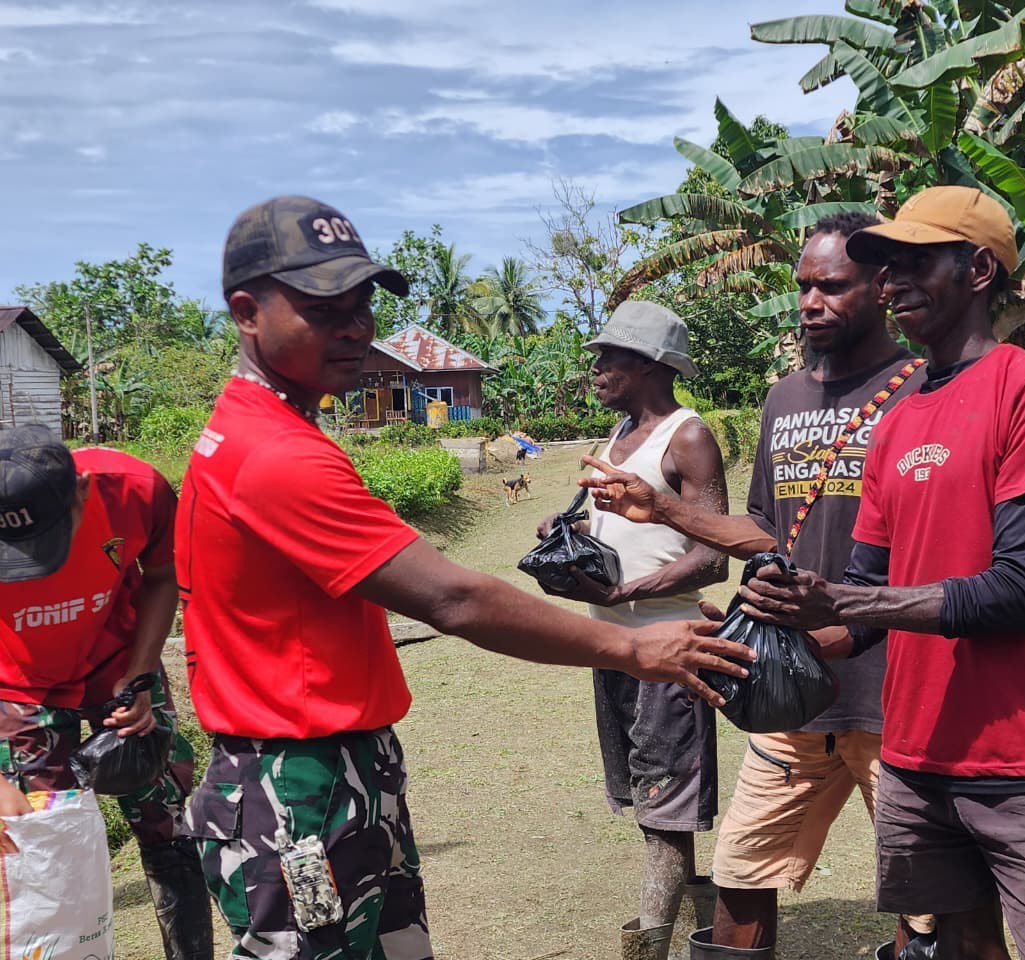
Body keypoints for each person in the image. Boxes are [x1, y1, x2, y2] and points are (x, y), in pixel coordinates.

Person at [177, 196, 755, 960]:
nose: (355, 327)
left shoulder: (250, 431)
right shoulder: (278, 456)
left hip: (317, 769)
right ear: (247, 312)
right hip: (300, 793)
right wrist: (634, 648)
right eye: (324, 308)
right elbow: (453, 597)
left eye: (362, 305)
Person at [736, 186, 1025, 960]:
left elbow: (1018, 590)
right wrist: (778, 635)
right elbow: (863, 616)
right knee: (956, 950)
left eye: (913, 262)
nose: (891, 282)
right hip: (915, 758)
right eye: (883, 266)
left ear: (979, 268)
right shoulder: (899, 421)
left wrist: (841, 597)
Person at [583, 212, 934, 960]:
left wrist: (862, 617)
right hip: (789, 684)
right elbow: (765, 532)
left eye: (831, 286)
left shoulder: (924, 391)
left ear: (879, 285)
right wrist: (697, 549)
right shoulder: (784, 400)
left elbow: (939, 548)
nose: (811, 302)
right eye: (803, 285)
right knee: (742, 872)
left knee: (925, 898)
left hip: (894, 690)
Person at [537, 300, 728, 960]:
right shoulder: (616, 439)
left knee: (664, 794)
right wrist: (571, 532)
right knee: (649, 785)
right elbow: (625, 528)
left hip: (670, 643)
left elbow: (712, 552)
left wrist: (625, 591)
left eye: (608, 358)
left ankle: (649, 942)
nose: (595, 370)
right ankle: (708, 913)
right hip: (613, 642)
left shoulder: (687, 436)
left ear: (648, 365)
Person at [0, 424, 213, 960]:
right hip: (20, 689)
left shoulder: (136, 490)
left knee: (169, 827)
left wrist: (141, 674)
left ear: (84, 489)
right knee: (40, 842)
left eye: (44, 538)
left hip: (119, 668)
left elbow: (163, 575)